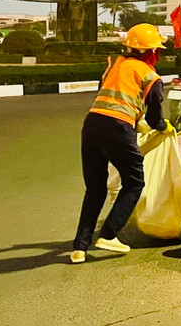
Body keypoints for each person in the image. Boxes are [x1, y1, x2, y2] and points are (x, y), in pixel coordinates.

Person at [71, 23, 172, 263]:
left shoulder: (113, 65)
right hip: (118, 129)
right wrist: (162, 127)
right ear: (151, 52)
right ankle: (108, 233)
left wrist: (136, 120)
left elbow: (107, 94)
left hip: (92, 125)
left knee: (95, 189)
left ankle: (79, 248)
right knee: (135, 182)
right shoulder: (150, 76)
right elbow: (155, 117)